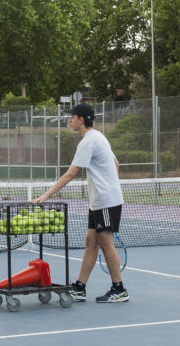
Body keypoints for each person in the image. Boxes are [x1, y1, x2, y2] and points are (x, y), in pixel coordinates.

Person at [32, 103, 128, 303]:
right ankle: (80, 287)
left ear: (81, 120)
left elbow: (71, 173)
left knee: (106, 243)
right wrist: (109, 182)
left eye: (72, 117)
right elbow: (116, 163)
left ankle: (119, 289)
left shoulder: (88, 142)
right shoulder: (98, 137)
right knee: (91, 242)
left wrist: (45, 196)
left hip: (106, 201)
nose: (69, 120)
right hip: (100, 200)